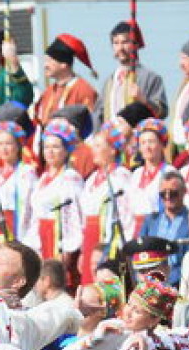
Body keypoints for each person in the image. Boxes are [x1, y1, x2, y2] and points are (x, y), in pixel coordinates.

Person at [76, 122, 132, 283]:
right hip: (90, 237)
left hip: (108, 238)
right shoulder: (92, 179)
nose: (94, 150)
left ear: (113, 150)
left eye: (99, 146)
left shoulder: (121, 176)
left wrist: (115, 245)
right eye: (94, 145)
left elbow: (125, 214)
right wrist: (82, 250)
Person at [25, 120, 83, 270]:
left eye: (56, 147)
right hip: (42, 237)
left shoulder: (70, 177)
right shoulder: (42, 179)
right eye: (47, 147)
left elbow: (74, 214)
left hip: (58, 236)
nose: (50, 152)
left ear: (66, 150)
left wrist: (68, 248)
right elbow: (35, 214)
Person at [0, 117, 35, 254]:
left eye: (9, 143)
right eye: (0, 144)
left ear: (18, 145)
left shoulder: (26, 173)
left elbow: (31, 208)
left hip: (18, 228)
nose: (4, 148)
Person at [100, 20, 167, 124]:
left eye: (125, 42)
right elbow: (99, 115)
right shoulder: (109, 81)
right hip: (112, 135)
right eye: (116, 43)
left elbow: (162, 112)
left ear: (135, 45)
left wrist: (143, 100)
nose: (120, 48)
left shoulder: (151, 78)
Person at [33, 34, 100, 134]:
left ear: (64, 64)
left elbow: (91, 127)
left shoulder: (84, 90)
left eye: (49, 61)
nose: (45, 65)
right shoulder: (48, 92)